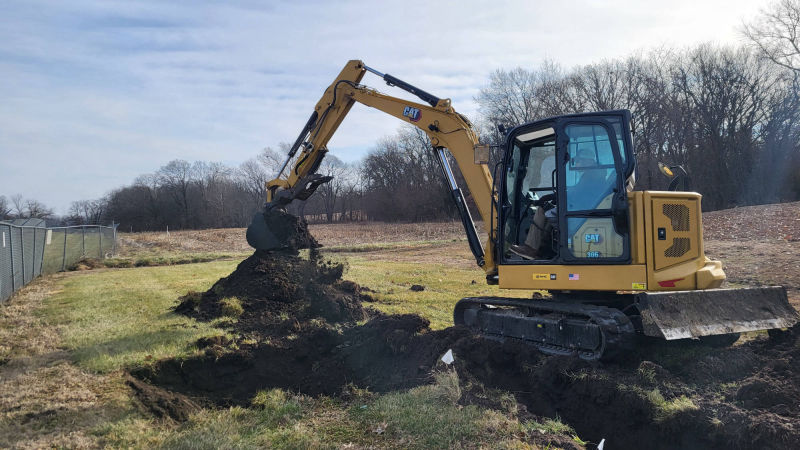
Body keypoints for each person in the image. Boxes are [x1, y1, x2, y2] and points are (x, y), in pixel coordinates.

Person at [510, 148, 607, 260]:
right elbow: (577, 191)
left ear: (588, 161)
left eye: (580, 161)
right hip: (583, 209)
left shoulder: (592, 176)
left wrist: (552, 196)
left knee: (542, 210)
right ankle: (540, 250)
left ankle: (531, 248)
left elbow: (577, 193)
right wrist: (555, 197)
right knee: (549, 211)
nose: (578, 163)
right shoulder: (595, 174)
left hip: (580, 214)